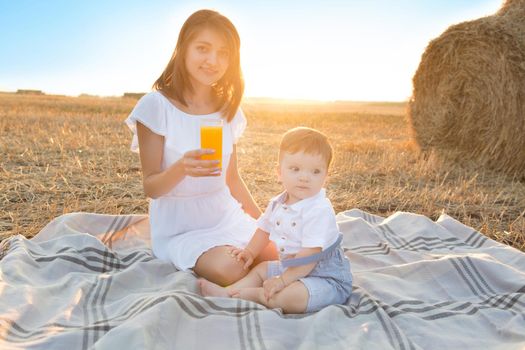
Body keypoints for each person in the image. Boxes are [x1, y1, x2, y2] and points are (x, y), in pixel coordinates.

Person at [125, 9, 277, 286]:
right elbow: (151, 187)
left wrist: (266, 223)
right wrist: (182, 167)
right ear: (183, 49)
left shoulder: (226, 109)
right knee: (230, 269)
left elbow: (232, 179)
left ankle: (254, 281)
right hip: (180, 226)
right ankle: (253, 282)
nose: (213, 61)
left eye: (223, 53)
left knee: (280, 251)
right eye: (203, 49)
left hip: (224, 213)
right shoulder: (156, 106)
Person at [199, 127, 353, 314]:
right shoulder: (278, 203)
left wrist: (282, 281)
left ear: (325, 176)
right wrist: (249, 252)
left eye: (315, 171)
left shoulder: (319, 210)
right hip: (290, 269)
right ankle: (227, 292)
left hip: (325, 278)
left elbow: (308, 258)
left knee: (291, 297)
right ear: (279, 172)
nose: (304, 177)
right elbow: (264, 230)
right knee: (261, 269)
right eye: (295, 169)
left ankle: (253, 295)